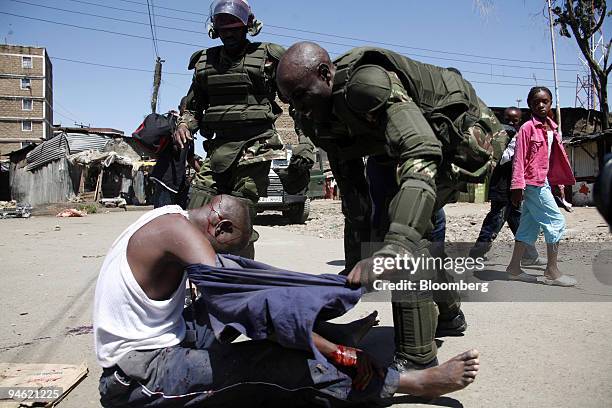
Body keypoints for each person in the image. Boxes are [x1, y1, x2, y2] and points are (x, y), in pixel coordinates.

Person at [93, 194, 480, 407]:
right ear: (220, 225)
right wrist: (332, 351)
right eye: (234, 243)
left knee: (259, 304)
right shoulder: (176, 232)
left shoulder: (169, 216)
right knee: (280, 358)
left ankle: (327, 331)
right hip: (137, 380)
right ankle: (410, 383)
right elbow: (248, 305)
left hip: (160, 340)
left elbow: (254, 287)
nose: (235, 253)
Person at [276, 42, 508, 372]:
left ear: (326, 75)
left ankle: (417, 358)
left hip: (458, 136)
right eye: (289, 100)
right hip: (394, 145)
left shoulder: (367, 84)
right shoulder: (315, 117)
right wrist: (357, 263)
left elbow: (421, 152)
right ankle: (451, 315)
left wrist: (396, 244)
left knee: (408, 238)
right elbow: (353, 190)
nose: (296, 108)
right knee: (399, 231)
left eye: (300, 95)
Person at [173, 0, 315, 257]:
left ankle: (242, 281)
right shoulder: (205, 63)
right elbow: (193, 108)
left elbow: (298, 103)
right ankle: (202, 280)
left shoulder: (269, 59)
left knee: (238, 219)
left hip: (257, 146)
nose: (229, 33)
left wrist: (305, 142)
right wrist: (184, 124)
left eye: (235, 27)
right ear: (214, 28)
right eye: (223, 27)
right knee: (197, 213)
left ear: (248, 27)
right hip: (218, 149)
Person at [506, 87, 576, 286]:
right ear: (529, 105)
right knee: (556, 222)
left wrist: (558, 183)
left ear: (551, 102)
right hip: (532, 183)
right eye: (536, 102)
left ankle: (513, 269)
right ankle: (552, 271)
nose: (541, 105)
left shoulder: (552, 127)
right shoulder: (527, 128)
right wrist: (517, 186)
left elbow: (553, 159)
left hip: (543, 180)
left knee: (528, 226)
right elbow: (519, 159)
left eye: (545, 101)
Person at [469, 107, 542, 264]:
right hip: (502, 188)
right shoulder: (499, 139)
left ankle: (529, 254)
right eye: (507, 120)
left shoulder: (518, 137)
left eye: (514, 121)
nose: (510, 124)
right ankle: (477, 254)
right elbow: (503, 160)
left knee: (519, 222)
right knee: (495, 220)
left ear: (519, 122)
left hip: (513, 188)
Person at [150, 98, 200, 209]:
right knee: (164, 218)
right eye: (186, 109)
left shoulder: (189, 130)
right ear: (180, 109)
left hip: (178, 181)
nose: (188, 112)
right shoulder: (172, 123)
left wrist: (203, 172)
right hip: (166, 181)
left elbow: (190, 158)